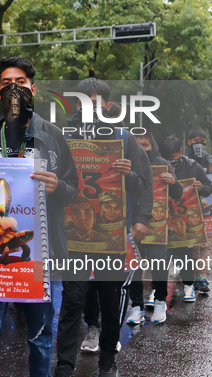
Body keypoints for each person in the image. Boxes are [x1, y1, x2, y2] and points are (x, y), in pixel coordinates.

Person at [0, 57, 78, 377]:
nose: (14, 89)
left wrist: (58, 185)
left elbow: (74, 189)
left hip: (40, 256)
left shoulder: (54, 135)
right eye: (7, 84)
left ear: (33, 89)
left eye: (20, 83)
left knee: (41, 338)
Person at [57, 78, 153, 377]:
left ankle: (108, 362)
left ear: (107, 106)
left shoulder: (124, 139)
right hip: (73, 236)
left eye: (96, 102)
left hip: (112, 237)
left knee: (112, 302)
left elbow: (143, 184)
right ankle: (64, 366)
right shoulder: (62, 137)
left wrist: (130, 179)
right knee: (72, 300)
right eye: (84, 102)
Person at [129, 130, 182, 325]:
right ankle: (136, 306)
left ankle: (160, 301)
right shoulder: (125, 160)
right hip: (131, 223)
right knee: (133, 266)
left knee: (159, 263)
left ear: (152, 145)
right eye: (138, 144)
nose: (142, 149)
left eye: (146, 144)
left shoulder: (162, 163)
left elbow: (177, 194)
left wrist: (173, 182)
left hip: (157, 226)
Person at [159, 135, 212, 302]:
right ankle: (158, 290)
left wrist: (200, 187)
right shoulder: (156, 165)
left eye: (173, 158)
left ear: (180, 152)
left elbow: (209, 187)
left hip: (186, 217)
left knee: (185, 253)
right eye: (166, 158)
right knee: (161, 254)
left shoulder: (193, 167)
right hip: (163, 217)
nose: (170, 162)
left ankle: (188, 286)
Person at [185, 129, 212, 291]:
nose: (200, 143)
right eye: (196, 140)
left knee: (206, 243)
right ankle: (192, 275)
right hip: (188, 208)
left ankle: (203, 275)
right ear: (189, 142)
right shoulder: (183, 160)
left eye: (203, 140)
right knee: (193, 244)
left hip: (210, 207)